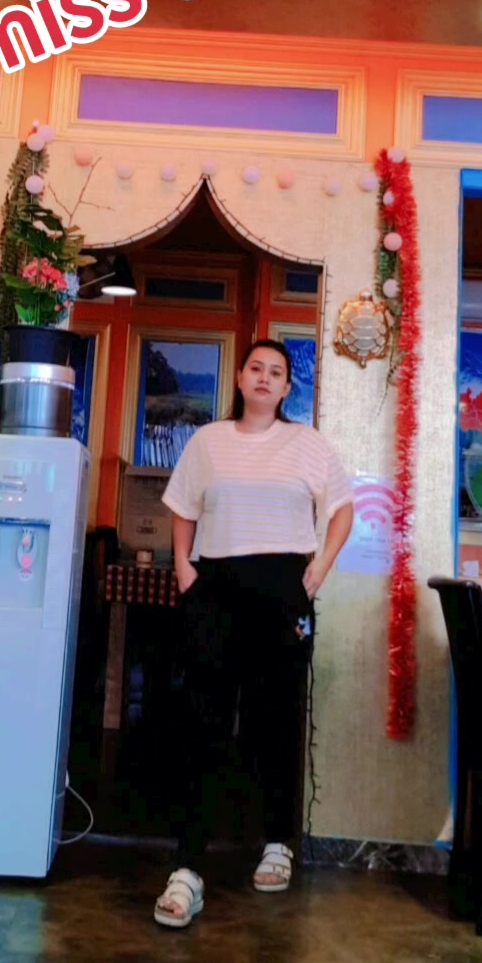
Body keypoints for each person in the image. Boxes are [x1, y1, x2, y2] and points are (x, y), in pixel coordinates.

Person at [154, 339, 355, 929]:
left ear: (288, 387)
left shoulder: (308, 443)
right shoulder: (208, 441)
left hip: (284, 589)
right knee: (204, 722)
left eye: (277, 372)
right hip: (216, 586)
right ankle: (188, 867)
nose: (265, 378)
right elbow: (183, 507)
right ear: (240, 378)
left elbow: (343, 508)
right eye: (256, 369)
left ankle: (276, 844)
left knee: (277, 720)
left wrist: (320, 567)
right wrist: (184, 567)